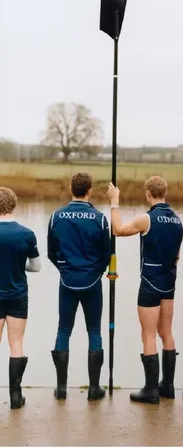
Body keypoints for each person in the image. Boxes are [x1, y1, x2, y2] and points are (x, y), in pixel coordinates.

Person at [107, 176, 183, 405]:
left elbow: (118, 230)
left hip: (150, 283)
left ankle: (151, 390)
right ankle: (168, 386)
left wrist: (114, 202)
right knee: (166, 332)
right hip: (169, 283)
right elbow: (177, 257)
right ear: (165, 193)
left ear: (148, 194)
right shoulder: (178, 221)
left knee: (148, 335)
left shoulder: (146, 219)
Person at [47, 173, 111, 401]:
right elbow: (107, 254)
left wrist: (64, 269)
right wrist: (96, 272)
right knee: (94, 331)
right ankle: (94, 389)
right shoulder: (100, 219)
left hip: (67, 280)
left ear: (71, 188)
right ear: (89, 191)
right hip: (92, 281)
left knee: (64, 330)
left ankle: (61, 388)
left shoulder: (56, 216)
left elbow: (51, 252)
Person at [0, 187, 41, 409]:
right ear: (13, 205)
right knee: (16, 343)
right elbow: (36, 267)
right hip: (17, 295)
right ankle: (16, 397)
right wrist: (18, 264)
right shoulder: (26, 234)